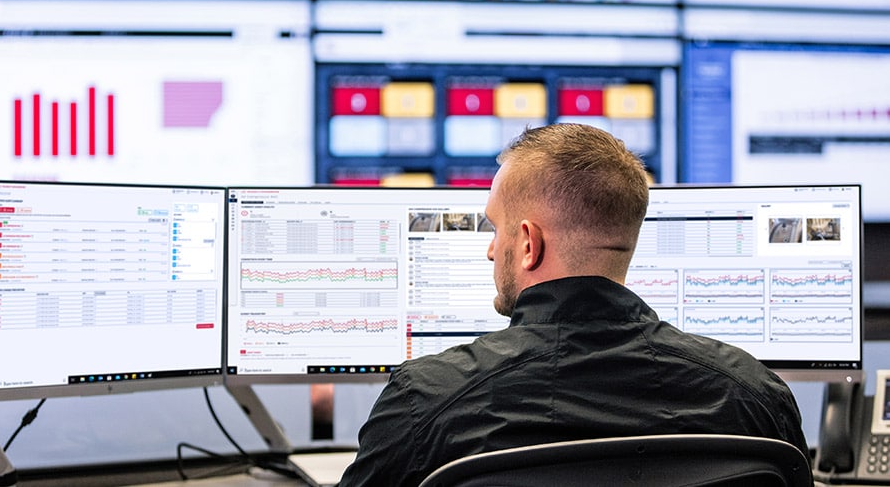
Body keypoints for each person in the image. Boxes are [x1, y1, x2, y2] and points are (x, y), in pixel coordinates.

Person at [338, 123, 809, 487]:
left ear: (527, 243)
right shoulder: (756, 397)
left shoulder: (427, 400)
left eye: (495, 228)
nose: (488, 248)